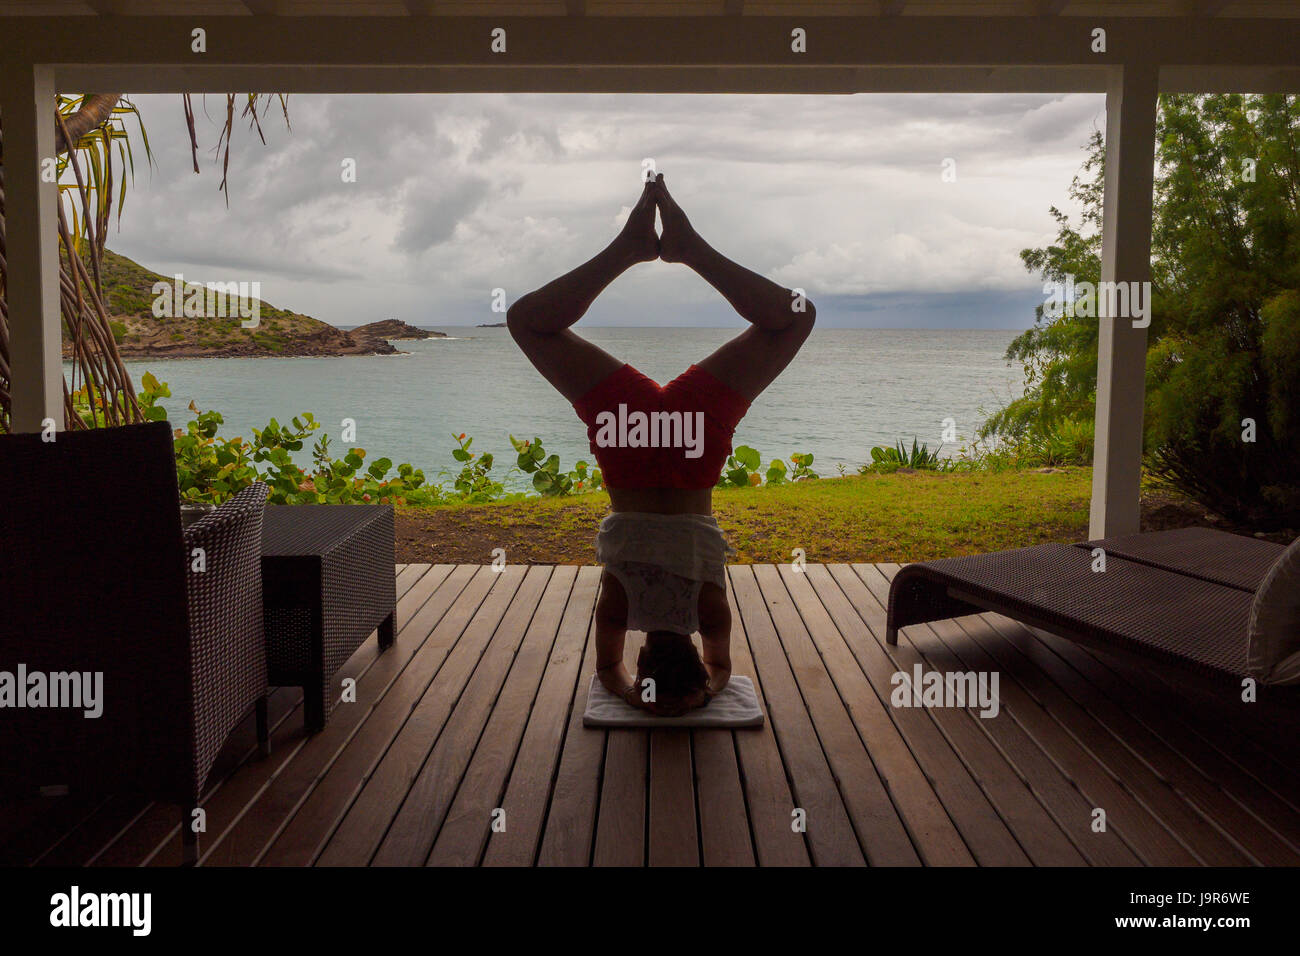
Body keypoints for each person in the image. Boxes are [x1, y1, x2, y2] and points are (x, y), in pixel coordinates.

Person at [507, 173, 814, 717]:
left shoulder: (708, 607)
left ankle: (686, 250)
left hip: (694, 441)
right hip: (628, 441)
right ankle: (631, 250)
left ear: (694, 652)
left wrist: (705, 692)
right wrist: (630, 693)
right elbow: (608, 672)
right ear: (643, 657)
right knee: (528, 323)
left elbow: (722, 672)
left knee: (795, 317)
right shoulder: (621, 603)